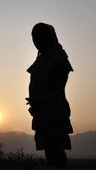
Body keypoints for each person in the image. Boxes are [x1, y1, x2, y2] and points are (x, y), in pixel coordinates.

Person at [26, 23, 73, 167]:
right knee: (49, 148)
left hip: (54, 110)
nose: (36, 41)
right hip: (42, 110)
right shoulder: (44, 59)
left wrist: (41, 100)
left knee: (55, 148)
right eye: (34, 37)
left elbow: (58, 85)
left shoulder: (57, 58)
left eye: (40, 37)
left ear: (49, 37)